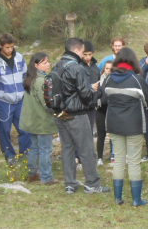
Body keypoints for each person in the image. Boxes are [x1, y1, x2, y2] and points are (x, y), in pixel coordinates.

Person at [54, 38, 110, 195]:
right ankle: (92, 184)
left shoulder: (56, 66)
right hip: (76, 114)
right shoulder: (77, 68)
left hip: (59, 114)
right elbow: (85, 95)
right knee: (87, 149)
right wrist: (95, 91)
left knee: (67, 148)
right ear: (77, 50)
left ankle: (70, 184)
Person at [103, 47, 148, 206]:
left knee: (118, 160)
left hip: (114, 125)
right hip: (134, 126)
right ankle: (136, 200)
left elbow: (102, 101)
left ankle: (118, 198)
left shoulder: (108, 79)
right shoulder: (137, 80)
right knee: (134, 161)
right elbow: (147, 102)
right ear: (133, 61)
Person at [0, 33, 31, 165]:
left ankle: (26, 155)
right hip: (3, 103)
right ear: (0, 46)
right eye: (7, 47)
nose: (10, 50)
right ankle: (10, 157)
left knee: (25, 129)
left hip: (20, 101)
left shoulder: (20, 58)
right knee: (4, 131)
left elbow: (25, 76)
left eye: (12, 47)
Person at [20, 52, 59, 185]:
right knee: (45, 150)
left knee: (35, 148)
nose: (48, 64)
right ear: (36, 65)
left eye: (48, 62)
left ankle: (32, 173)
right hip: (42, 122)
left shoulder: (30, 79)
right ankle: (47, 177)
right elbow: (47, 104)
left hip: (32, 121)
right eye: (44, 62)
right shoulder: (42, 81)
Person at [96, 60, 113, 166]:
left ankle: (113, 155)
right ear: (104, 69)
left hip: (112, 110)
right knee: (101, 134)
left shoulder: (116, 80)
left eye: (111, 69)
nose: (109, 71)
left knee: (114, 134)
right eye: (107, 68)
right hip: (100, 109)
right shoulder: (99, 80)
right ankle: (99, 158)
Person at [81, 41, 100, 136]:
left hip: (93, 105)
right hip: (81, 106)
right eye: (85, 54)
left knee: (90, 131)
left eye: (90, 54)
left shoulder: (95, 67)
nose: (88, 57)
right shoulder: (78, 66)